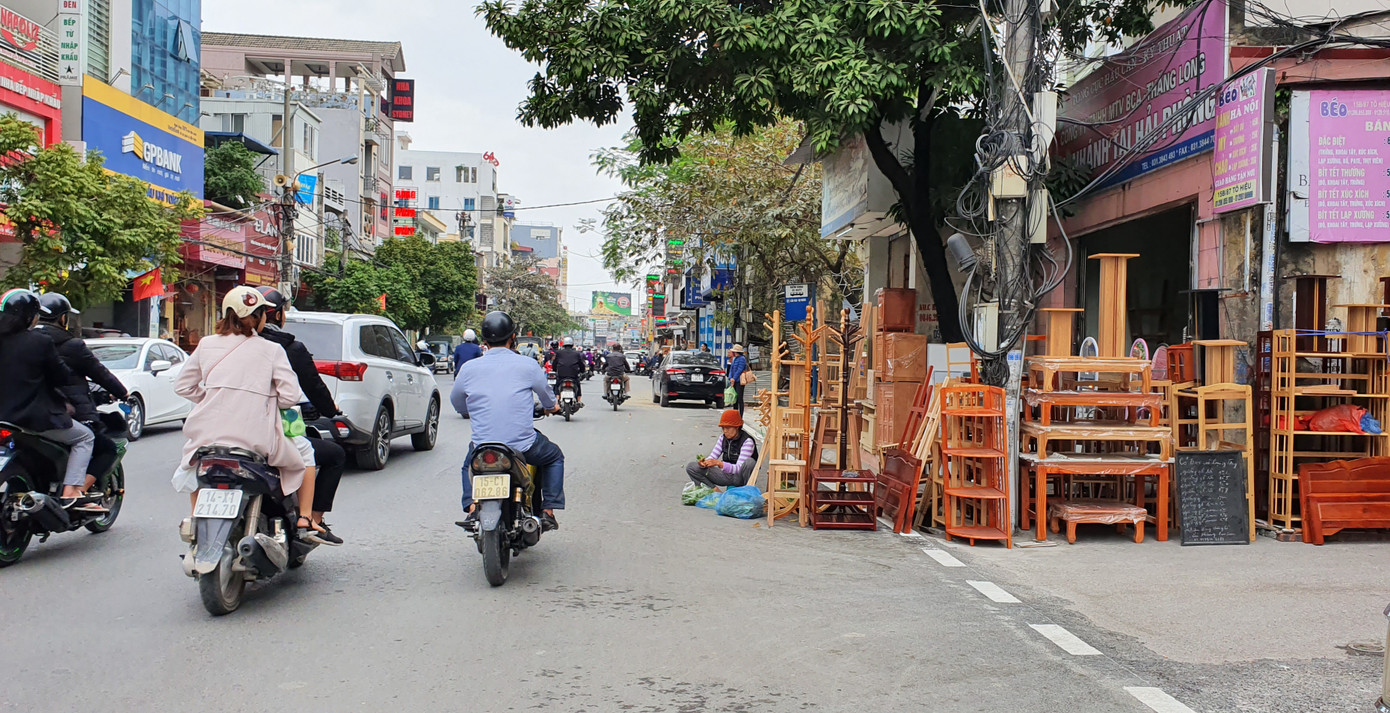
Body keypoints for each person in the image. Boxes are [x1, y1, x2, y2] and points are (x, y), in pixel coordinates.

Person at [173, 286, 328, 543]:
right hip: (256, 439)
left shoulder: (206, 344)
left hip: (207, 437)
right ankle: (305, 517)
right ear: (259, 317)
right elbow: (290, 397)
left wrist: (214, 397)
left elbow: (183, 386)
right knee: (306, 454)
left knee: (195, 470)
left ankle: (196, 526)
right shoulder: (271, 350)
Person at [451, 311, 565, 532]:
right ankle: (548, 511)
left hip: (482, 447)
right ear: (513, 337)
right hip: (523, 447)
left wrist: (469, 409)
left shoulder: (468, 369)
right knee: (554, 456)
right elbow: (548, 398)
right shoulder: (528, 365)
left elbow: (458, 403)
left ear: (484, 341)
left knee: (468, 464)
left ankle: (472, 508)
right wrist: (552, 408)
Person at [255, 286, 347, 545]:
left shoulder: (225, 346)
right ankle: (311, 519)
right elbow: (304, 391)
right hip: (274, 430)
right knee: (330, 455)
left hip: (224, 432)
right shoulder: (285, 349)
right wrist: (331, 411)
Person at [0, 289, 100, 511]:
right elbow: (61, 376)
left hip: (3, 418)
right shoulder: (39, 341)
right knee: (85, 437)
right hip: (33, 418)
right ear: (29, 316)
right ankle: (72, 490)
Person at [35, 292, 130, 495]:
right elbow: (101, 374)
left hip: (22, 414)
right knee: (103, 447)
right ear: (63, 318)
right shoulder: (71, 346)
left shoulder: (24, 343)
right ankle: (76, 491)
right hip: (60, 414)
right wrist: (122, 392)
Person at [686, 409, 758, 490]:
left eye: (728, 428)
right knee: (692, 467)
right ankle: (713, 490)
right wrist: (705, 463)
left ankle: (745, 492)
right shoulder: (722, 438)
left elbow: (738, 469)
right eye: (723, 428)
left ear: (737, 427)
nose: (725, 431)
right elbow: (713, 456)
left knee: (750, 462)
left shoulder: (747, 441)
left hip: (740, 477)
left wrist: (720, 464)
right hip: (726, 475)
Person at [552, 336, 586, 405]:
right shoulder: (576, 353)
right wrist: (582, 371)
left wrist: (554, 369)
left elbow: (554, 364)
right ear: (572, 344)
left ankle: (557, 399)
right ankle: (579, 400)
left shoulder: (559, 353)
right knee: (578, 385)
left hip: (562, 375)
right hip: (573, 375)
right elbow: (581, 364)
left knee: (556, 385)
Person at [727, 344, 750, 415]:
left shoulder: (742, 359)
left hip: (739, 381)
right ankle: (735, 414)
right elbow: (731, 369)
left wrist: (734, 378)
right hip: (734, 380)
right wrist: (730, 377)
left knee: (739, 398)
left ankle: (740, 415)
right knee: (735, 399)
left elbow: (739, 370)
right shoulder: (734, 359)